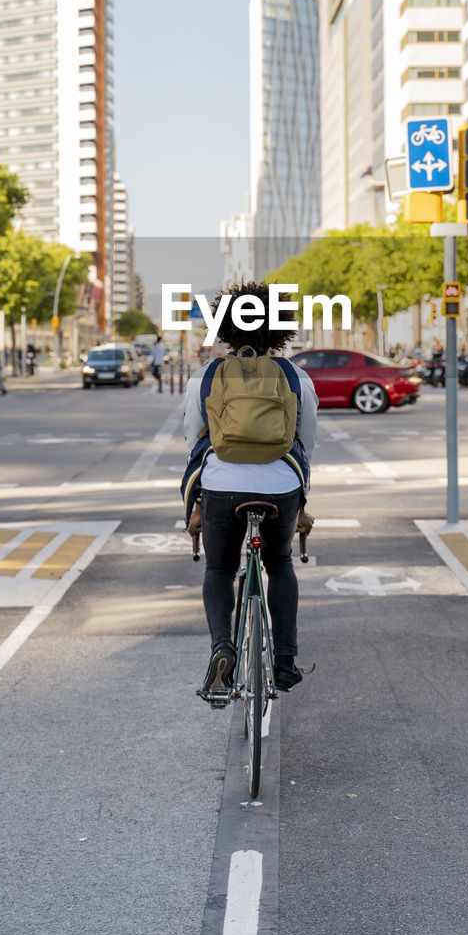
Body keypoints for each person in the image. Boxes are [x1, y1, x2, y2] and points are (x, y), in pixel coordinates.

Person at [181, 282, 318, 701]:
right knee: (279, 564)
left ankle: (223, 648)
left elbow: (194, 442)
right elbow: (305, 441)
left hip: (221, 486)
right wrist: (300, 500)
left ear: (224, 327)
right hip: (280, 486)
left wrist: (198, 500)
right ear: (280, 328)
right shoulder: (295, 375)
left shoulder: (206, 376)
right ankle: (283, 664)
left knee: (220, 570)